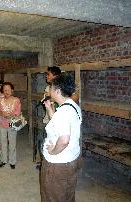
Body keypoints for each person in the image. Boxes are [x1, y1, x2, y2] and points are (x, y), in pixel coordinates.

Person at [41, 73, 82, 202]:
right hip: (71, 159)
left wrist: (53, 151)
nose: (50, 91)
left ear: (57, 91)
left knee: (52, 196)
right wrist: (49, 109)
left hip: (58, 164)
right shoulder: (72, 105)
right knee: (67, 195)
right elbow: (59, 124)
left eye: (51, 88)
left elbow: (64, 140)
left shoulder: (63, 112)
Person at [0, 82, 21, 169]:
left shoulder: (16, 100)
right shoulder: (0, 100)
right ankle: (3, 160)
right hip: (2, 123)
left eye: (8, 90)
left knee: (12, 142)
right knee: (2, 142)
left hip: (12, 124)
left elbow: (18, 112)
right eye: (4, 90)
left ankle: (12, 161)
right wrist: (2, 112)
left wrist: (11, 115)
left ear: (12, 90)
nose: (6, 91)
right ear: (2, 91)